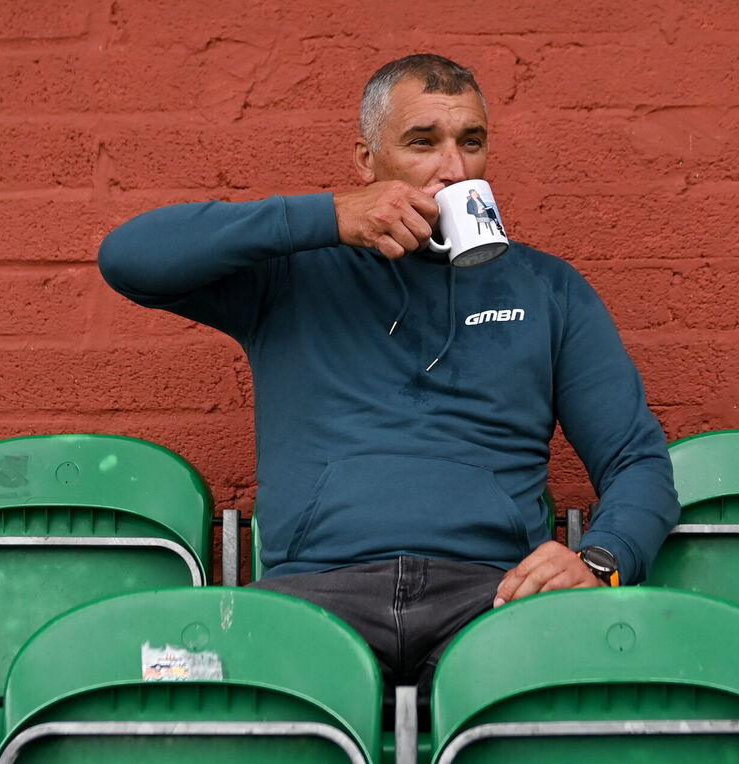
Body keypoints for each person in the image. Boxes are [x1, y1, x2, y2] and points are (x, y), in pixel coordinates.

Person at [98, 53, 679, 705]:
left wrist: (600, 561)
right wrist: (329, 218)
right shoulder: (294, 275)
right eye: (423, 143)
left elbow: (637, 461)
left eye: (472, 143)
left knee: (639, 690)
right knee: (154, 676)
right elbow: (128, 259)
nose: (453, 169)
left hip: (494, 598)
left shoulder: (547, 290)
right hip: (311, 599)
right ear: (367, 162)